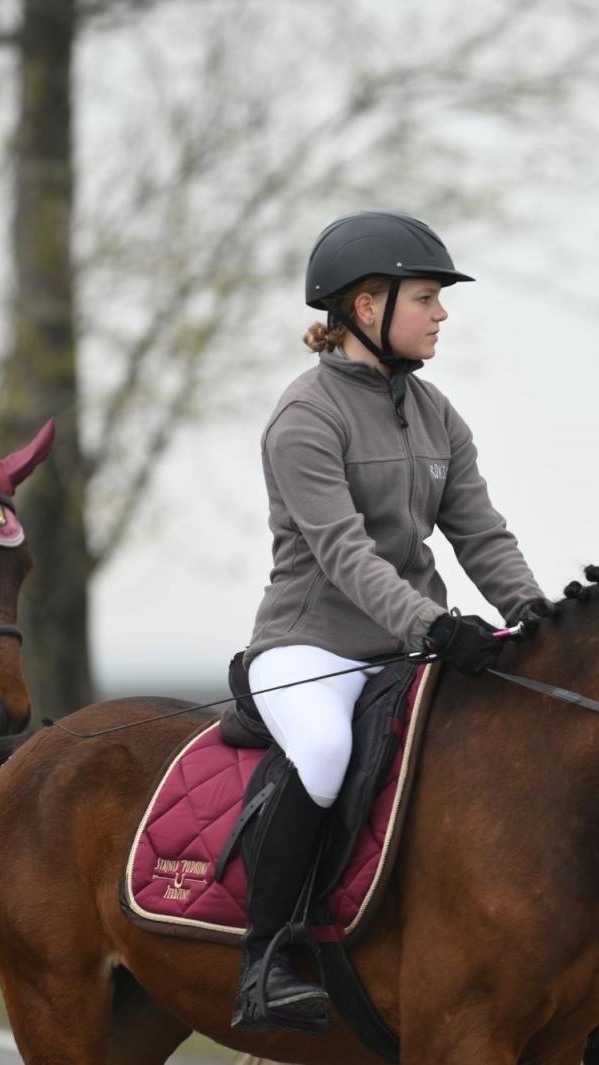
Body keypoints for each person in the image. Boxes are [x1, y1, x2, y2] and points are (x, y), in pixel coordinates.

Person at [233, 210, 549, 1035]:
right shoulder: (305, 415)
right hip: (310, 647)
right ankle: (265, 957)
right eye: (427, 298)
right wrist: (433, 624)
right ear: (366, 307)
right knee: (329, 750)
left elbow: (482, 533)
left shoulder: (437, 412)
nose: (442, 313)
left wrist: (541, 618)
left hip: (407, 647)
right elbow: (342, 551)